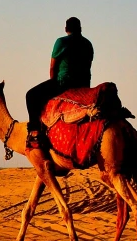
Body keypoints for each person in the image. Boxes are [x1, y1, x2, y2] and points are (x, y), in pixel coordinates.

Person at [26, 17, 93, 149]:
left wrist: (53, 82)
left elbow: (53, 67)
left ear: (66, 29)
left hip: (64, 83)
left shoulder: (61, 42)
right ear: (80, 29)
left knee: (31, 95)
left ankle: (35, 132)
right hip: (84, 85)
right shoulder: (88, 44)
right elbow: (88, 66)